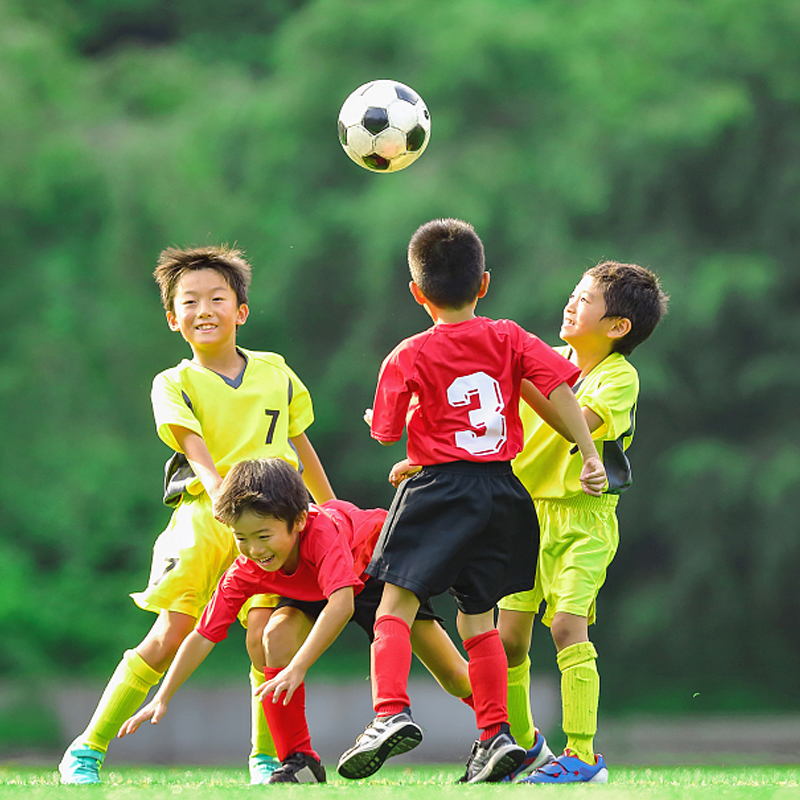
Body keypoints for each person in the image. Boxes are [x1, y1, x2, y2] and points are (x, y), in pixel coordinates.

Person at [336, 218, 607, 784]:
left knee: (394, 605)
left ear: (417, 293)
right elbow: (560, 387)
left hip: (438, 489)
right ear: (483, 283)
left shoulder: (408, 354)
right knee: (478, 621)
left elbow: (387, 432)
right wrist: (588, 454)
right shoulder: (508, 336)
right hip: (504, 492)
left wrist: (396, 423)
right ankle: (495, 736)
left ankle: (389, 713)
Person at [58, 246, 335, 785]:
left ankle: (265, 758)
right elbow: (199, 457)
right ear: (172, 317)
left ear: (242, 311)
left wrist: (332, 510)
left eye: (217, 298)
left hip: (274, 525)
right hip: (204, 520)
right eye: (189, 301)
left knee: (266, 635)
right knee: (172, 632)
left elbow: (302, 446)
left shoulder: (275, 371)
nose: (203, 309)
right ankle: (87, 748)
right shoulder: (174, 381)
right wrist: (227, 503)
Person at [118, 458, 473, 784]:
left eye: (263, 536)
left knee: (455, 677)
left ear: (299, 521)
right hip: (317, 588)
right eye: (241, 538)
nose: (254, 549)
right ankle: (298, 759)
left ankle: (506, 733)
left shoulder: (322, 533)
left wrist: (299, 666)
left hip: (379, 567)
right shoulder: (248, 567)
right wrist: (163, 696)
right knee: (276, 636)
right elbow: (203, 634)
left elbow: (342, 604)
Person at [496, 261, 669, 784]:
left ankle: (583, 754)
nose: (571, 304)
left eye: (585, 299)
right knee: (508, 641)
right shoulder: (548, 363)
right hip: (525, 515)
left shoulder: (618, 376)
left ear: (618, 327)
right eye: (574, 294)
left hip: (582, 521)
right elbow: (498, 430)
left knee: (568, 626)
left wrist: (519, 376)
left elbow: (576, 425)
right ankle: (523, 748)